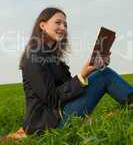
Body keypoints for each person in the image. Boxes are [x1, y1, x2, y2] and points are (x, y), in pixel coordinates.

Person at [2, 7, 133, 140]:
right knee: (104, 75)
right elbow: (51, 98)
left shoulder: (52, 57)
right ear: (43, 25)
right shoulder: (33, 56)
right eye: (58, 22)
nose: (63, 28)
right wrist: (82, 75)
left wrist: (91, 70)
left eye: (65, 24)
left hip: (60, 112)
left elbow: (70, 91)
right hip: (50, 122)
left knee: (102, 72)